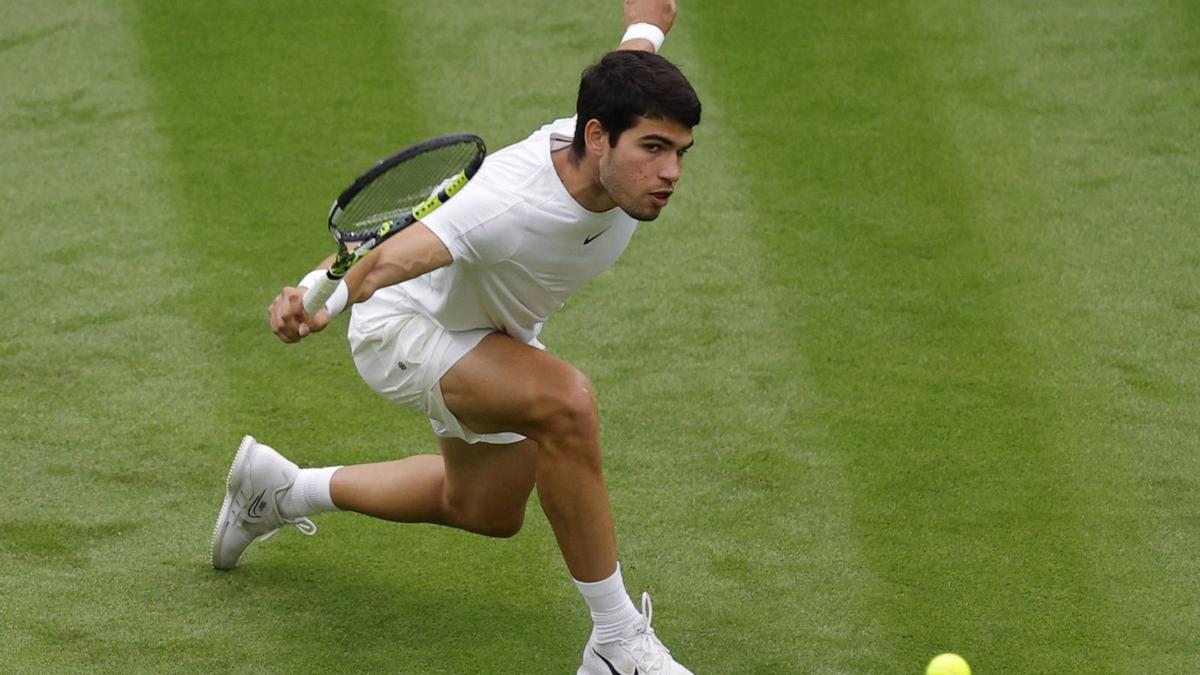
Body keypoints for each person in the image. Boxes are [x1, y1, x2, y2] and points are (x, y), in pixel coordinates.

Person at [211, 2, 700, 672]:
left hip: (490, 332)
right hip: (405, 331)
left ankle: (281, 490)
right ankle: (616, 641)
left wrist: (648, 22)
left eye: (679, 152)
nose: (671, 172)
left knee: (486, 506)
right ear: (595, 137)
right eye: (654, 149)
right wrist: (316, 299)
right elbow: (386, 256)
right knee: (567, 404)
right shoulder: (505, 204)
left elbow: (633, 61)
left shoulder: (615, 122)